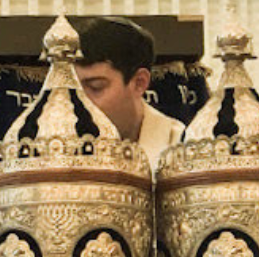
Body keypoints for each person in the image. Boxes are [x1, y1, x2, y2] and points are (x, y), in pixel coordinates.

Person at [75, 16, 186, 169]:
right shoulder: (53, 146)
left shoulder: (181, 149)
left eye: (96, 87)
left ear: (139, 83)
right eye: (74, 90)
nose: (81, 102)